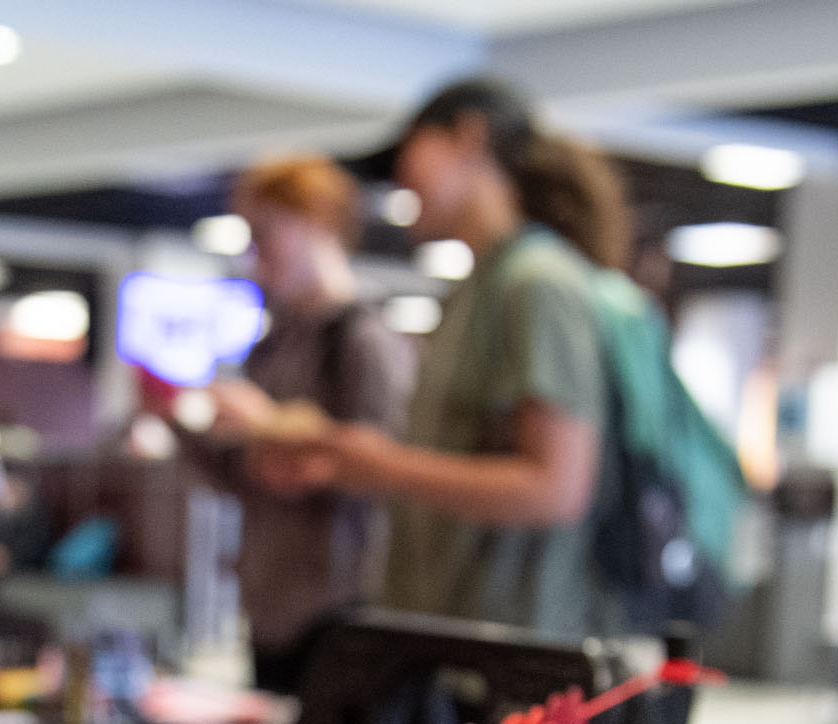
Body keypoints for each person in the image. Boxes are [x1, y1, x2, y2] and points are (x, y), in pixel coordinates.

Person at [242, 78, 634, 642]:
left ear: (468, 138)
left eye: (410, 153)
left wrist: (383, 466)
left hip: (516, 660)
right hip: (459, 641)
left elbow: (555, 488)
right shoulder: (479, 287)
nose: (401, 179)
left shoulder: (538, 283)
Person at [181, 153, 414, 691]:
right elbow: (250, 481)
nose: (254, 254)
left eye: (265, 233)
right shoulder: (272, 345)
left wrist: (270, 427)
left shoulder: (362, 340)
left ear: (316, 221)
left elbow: (391, 472)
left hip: (341, 609)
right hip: (269, 607)